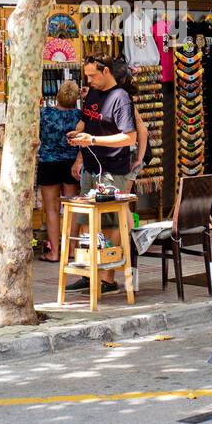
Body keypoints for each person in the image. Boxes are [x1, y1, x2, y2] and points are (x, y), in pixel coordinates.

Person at [67, 55, 138, 295]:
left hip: (112, 169)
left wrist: (94, 140)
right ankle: (90, 273)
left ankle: (107, 279)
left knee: (109, 223)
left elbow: (130, 137)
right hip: (90, 165)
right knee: (88, 222)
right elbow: (85, 124)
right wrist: (77, 139)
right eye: (86, 75)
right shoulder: (93, 94)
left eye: (93, 75)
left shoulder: (121, 98)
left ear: (106, 71)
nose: (89, 80)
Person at [37, 80, 82, 262]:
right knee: (71, 208)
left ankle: (55, 252)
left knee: (52, 209)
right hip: (71, 164)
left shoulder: (45, 114)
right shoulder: (79, 116)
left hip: (48, 163)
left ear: (57, 95)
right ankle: (71, 249)